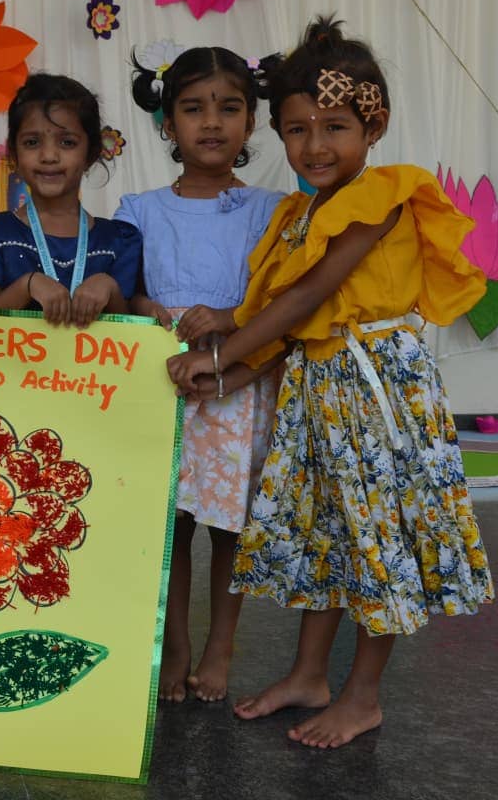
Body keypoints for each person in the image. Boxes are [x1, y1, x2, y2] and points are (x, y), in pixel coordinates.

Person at [168, 17, 494, 747]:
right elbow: (283, 324)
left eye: (336, 126)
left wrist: (221, 358)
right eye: (296, 129)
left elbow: (306, 299)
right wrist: (233, 368)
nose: (315, 146)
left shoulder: (377, 197)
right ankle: (309, 675)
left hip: (378, 393)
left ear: (372, 129)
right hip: (320, 395)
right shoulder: (296, 215)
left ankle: (363, 695)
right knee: (331, 539)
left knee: (376, 539)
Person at [117, 46, 285, 702]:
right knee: (172, 526)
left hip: (235, 384)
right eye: (193, 108)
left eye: (229, 108)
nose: (211, 122)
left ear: (251, 123)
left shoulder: (270, 212)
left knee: (227, 528)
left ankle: (221, 643)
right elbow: (125, 288)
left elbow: (277, 305)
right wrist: (144, 308)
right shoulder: (139, 208)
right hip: (163, 382)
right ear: (167, 121)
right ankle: (175, 642)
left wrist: (229, 325)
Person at [0, 73, 140, 327]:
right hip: (10, 368)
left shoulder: (117, 242)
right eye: (32, 142)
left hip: (92, 368)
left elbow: (134, 340)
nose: (49, 155)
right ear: (14, 155)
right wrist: (26, 286)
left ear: (91, 153)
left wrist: (111, 290)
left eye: (67, 142)